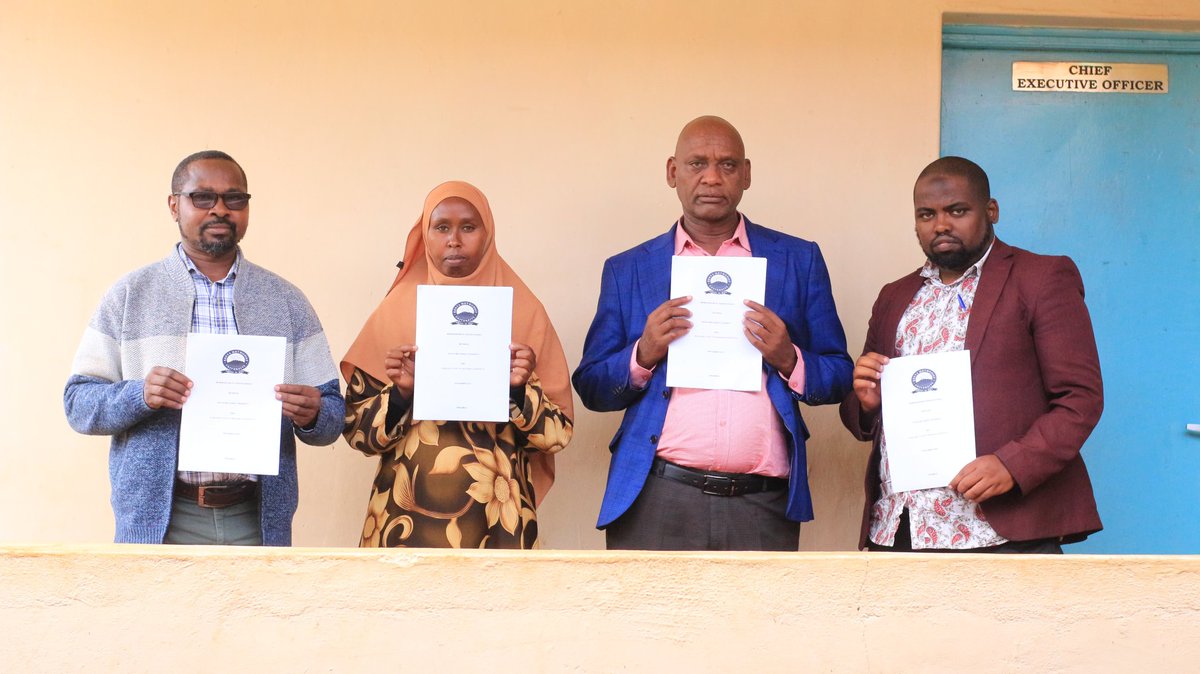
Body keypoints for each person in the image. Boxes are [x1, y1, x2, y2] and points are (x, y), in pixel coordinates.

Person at [572, 116, 853, 551]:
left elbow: (838, 375)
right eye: (697, 163)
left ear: (746, 174)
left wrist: (789, 358)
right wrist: (642, 354)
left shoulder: (798, 260)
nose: (712, 177)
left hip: (762, 502)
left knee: (762, 602)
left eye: (727, 165)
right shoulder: (628, 269)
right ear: (673, 172)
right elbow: (592, 387)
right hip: (657, 495)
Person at [64, 150, 345, 546]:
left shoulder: (286, 301)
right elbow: (78, 404)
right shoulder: (129, 295)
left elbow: (333, 415)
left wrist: (313, 414)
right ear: (174, 205)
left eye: (235, 198)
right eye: (202, 197)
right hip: (160, 523)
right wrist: (140, 395)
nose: (220, 209)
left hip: (257, 521)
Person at [840, 156, 1104, 553]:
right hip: (899, 529)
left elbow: (1080, 399)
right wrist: (866, 403)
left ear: (991, 210)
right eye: (927, 214)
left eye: (957, 210)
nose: (941, 225)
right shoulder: (894, 296)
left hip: (999, 530)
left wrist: (1013, 465)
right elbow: (860, 413)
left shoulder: (1040, 278)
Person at [341, 181, 573, 549]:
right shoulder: (393, 312)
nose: (454, 240)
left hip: (498, 519)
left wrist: (518, 389)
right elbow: (356, 432)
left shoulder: (524, 312)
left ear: (488, 233)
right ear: (425, 235)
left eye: (468, 227)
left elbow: (558, 435)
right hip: (405, 522)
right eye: (441, 227)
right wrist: (401, 394)